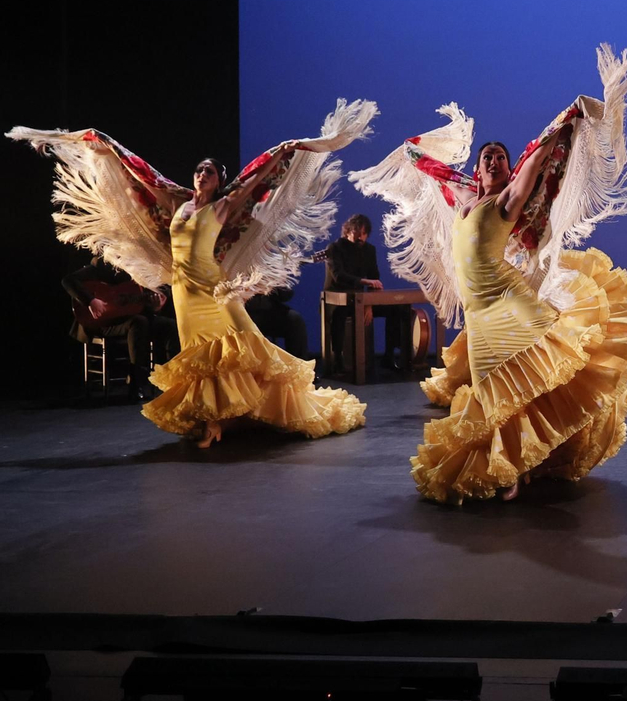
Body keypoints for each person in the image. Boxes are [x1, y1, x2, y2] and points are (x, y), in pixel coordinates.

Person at [349, 47, 627, 502]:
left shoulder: (507, 202)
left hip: (508, 301)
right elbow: (434, 171)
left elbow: (536, 160)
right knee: (497, 394)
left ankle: (515, 468)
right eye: (487, 157)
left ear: (508, 171)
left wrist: (569, 118)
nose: (493, 161)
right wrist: (415, 154)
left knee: (543, 370)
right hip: (480, 314)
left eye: (500, 158)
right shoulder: (464, 201)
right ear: (477, 170)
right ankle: (519, 461)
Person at [12, 100, 376, 447]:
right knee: (201, 358)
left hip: (213, 289)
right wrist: (104, 147)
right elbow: (142, 177)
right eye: (200, 169)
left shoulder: (223, 207)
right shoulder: (178, 202)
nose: (203, 174)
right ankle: (215, 421)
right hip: (185, 291)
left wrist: (287, 149)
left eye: (210, 171)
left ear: (219, 181)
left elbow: (257, 180)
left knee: (242, 347)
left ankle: (252, 411)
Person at [62, 260, 179, 399]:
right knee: (139, 322)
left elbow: (150, 298)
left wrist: (157, 306)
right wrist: (91, 301)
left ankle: (175, 380)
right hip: (105, 322)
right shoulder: (105, 263)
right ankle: (136, 382)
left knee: (171, 326)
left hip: (137, 317)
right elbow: (68, 281)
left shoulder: (146, 264)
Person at [323, 213, 412, 372]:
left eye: (364, 233)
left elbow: (374, 278)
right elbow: (339, 277)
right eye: (357, 231)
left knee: (396, 309)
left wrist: (369, 304)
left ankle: (389, 356)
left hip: (360, 300)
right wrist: (364, 282)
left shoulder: (369, 250)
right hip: (337, 299)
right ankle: (338, 360)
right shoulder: (334, 248)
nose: (360, 237)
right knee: (340, 313)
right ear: (348, 231)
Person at [245, 286, 310, 360]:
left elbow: (287, 295)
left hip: (267, 312)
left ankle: (299, 365)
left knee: (294, 320)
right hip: (242, 310)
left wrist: (275, 286)